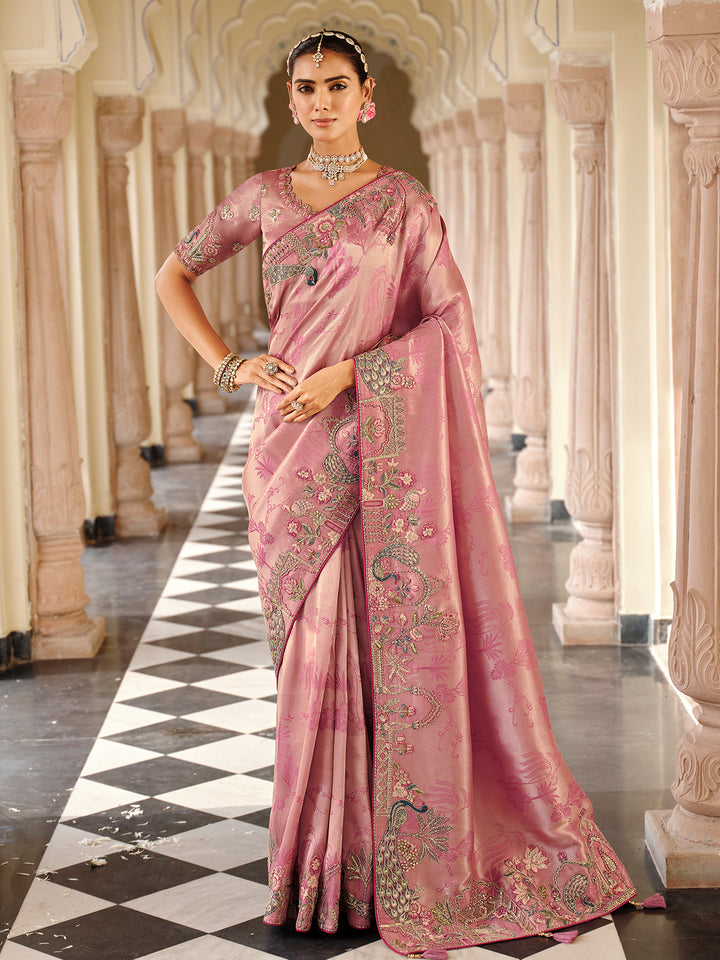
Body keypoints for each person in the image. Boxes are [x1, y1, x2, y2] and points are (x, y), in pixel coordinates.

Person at [155, 27, 635, 955]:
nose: (322, 100)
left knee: (377, 649)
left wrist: (350, 378)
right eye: (306, 87)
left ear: (366, 95)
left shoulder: (404, 205)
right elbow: (174, 274)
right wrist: (230, 364)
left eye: (338, 84)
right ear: (288, 102)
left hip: (375, 442)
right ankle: (318, 873)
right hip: (286, 456)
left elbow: (451, 328)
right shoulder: (263, 197)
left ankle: (382, 862)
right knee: (313, 656)